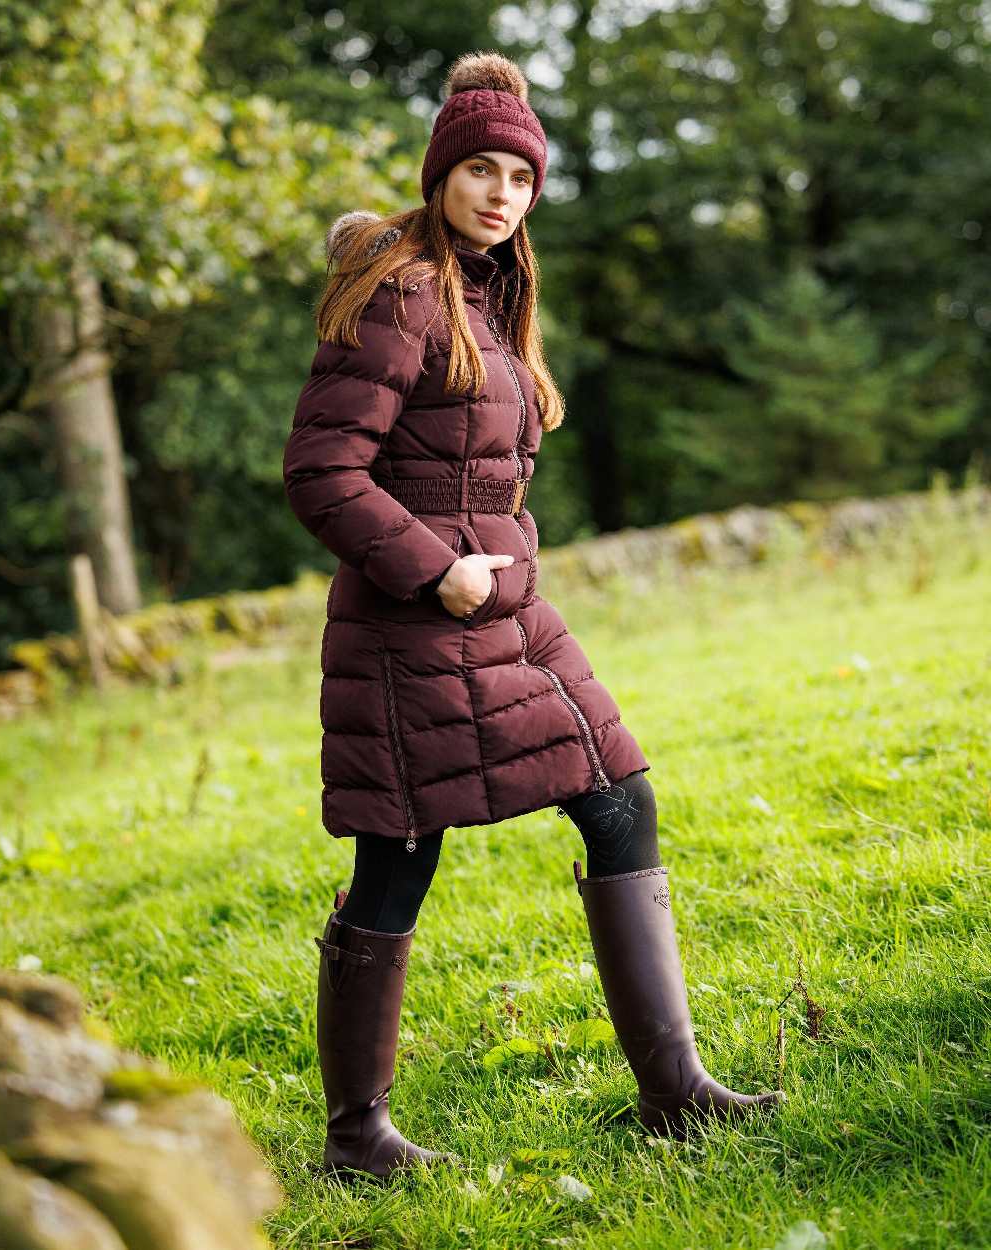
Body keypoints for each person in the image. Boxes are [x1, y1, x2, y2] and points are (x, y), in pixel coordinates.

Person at [282, 50, 785, 1183]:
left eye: (519, 175)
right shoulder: (405, 291)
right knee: (397, 857)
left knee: (620, 799)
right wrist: (434, 568)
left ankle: (675, 1092)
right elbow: (320, 469)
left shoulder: (489, 295)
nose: (500, 192)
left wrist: (488, 570)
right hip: (419, 626)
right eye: (479, 170)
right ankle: (357, 1137)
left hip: (511, 620)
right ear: (440, 175)